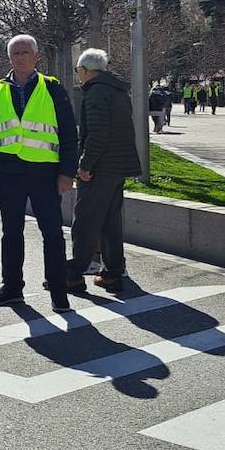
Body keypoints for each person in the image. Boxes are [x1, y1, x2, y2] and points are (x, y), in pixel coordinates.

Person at [0, 34, 78, 314]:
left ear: (36, 57)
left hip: (45, 173)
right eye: (15, 54)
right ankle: (12, 288)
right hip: (7, 174)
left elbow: (69, 132)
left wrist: (67, 172)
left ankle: (59, 294)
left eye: (25, 52)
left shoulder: (52, 88)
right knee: (11, 233)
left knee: (52, 234)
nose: (20, 57)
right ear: (9, 58)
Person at [68, 49, 140, 295]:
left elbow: (97, 133)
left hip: (101, 167)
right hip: (118, 165)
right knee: (110, 222)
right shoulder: (117, 89)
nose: (78, 75)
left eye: (78, 70)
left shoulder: (96, 91)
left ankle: (74, 273)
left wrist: (85, 165)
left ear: (86, 70)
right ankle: (112, 273)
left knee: (85, 221)